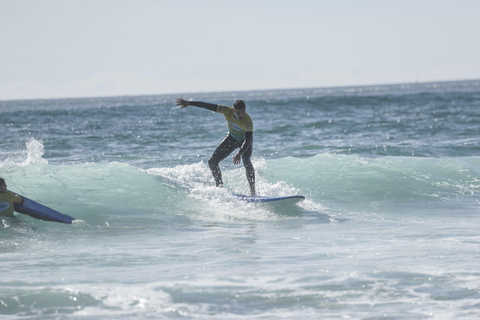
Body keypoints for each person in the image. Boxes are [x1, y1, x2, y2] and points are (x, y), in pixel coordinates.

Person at [175, 98, 256, 196]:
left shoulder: (247, 121)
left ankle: (253, 192)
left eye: (243, 112)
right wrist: (190, 103)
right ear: (233, 110)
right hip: (232, 139)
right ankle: (220, 187)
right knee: (212, 162)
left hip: (244, 141)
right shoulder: (227, 111)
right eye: (238, 112)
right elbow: (208, 105)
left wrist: (239, 153)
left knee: (246, 160)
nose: (241, 115)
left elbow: (248, 140)